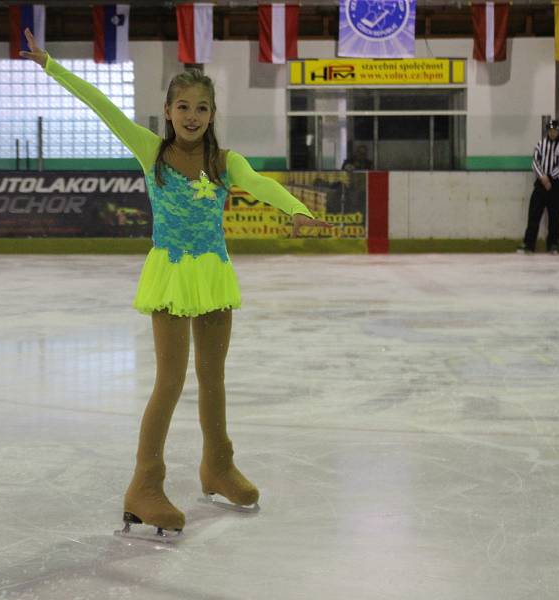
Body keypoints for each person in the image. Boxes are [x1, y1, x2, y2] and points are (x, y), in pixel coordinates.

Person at [21, 29, 331, 539]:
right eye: (183, 106)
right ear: (167, 110)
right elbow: (102, 105)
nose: (192, 116)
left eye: (201, 108)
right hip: (171, 273)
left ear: (212, 114)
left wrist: (299, 211)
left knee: (214, 378)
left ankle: (218, 467)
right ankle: (144, 485)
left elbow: (261, 185)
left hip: (212, 273)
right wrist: (51, 64)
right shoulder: (152, 152)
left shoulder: (224, 162)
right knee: (170, 380)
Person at [518, 119, 559, 255]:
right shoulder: (541, 145)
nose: (552, 133)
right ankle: (529, 244)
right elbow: (535, 162)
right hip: (541, 184)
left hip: (556, 186)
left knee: (554, 216)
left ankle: (553, 244)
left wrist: (550, 177)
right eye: (550, 130)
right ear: (547, 131)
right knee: (534, 214)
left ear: (558, 131)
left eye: (555, 130)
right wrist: (543, 177)